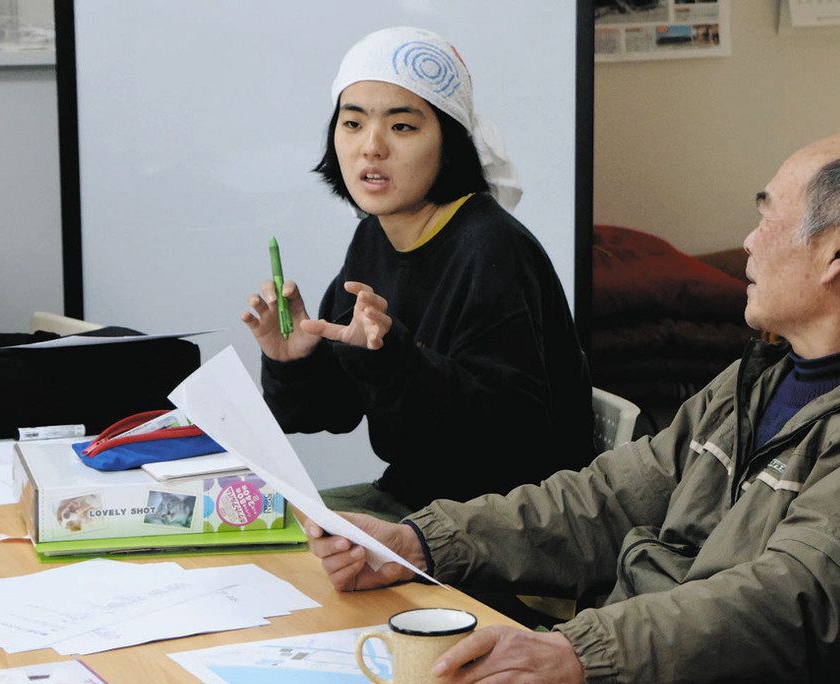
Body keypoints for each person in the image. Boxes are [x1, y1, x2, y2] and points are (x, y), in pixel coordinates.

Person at [306, 133, 840, 684]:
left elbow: (783, 605)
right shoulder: (762, 378)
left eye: (767, 217)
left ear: (837, 250)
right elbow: (609, 498)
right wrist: (422, 542)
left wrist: (576, 652)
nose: (749, 242)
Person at [241, 27, 594, 520]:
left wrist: (393, 358)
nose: (371, 147)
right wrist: (294, 361)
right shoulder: (372, 236)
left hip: (505, 522)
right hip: (412, 501)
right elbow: (334, 411)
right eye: (352, 123)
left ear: (449, 143)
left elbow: (513, 438)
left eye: (402, 126)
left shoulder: (491, 247)